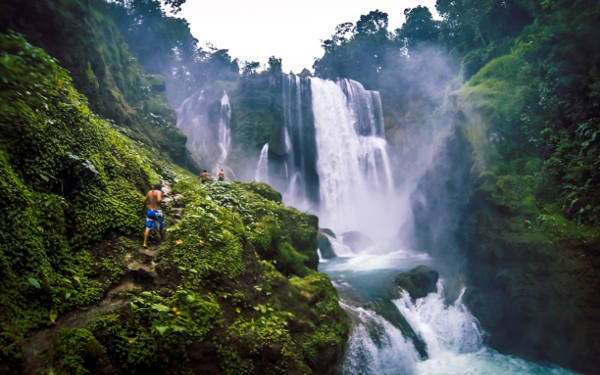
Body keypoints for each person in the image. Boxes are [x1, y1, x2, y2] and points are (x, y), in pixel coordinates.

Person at [143, 183, 165, 248]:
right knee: (161, 227)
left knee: (148, 227)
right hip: (157, 212)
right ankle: (163, 241)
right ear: (160, 188)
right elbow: (158, 200)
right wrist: (163, 201)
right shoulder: (159, 192)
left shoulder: (149, 192)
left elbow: (145, 201)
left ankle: (144, 243)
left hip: (149, 211)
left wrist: (147, 205)